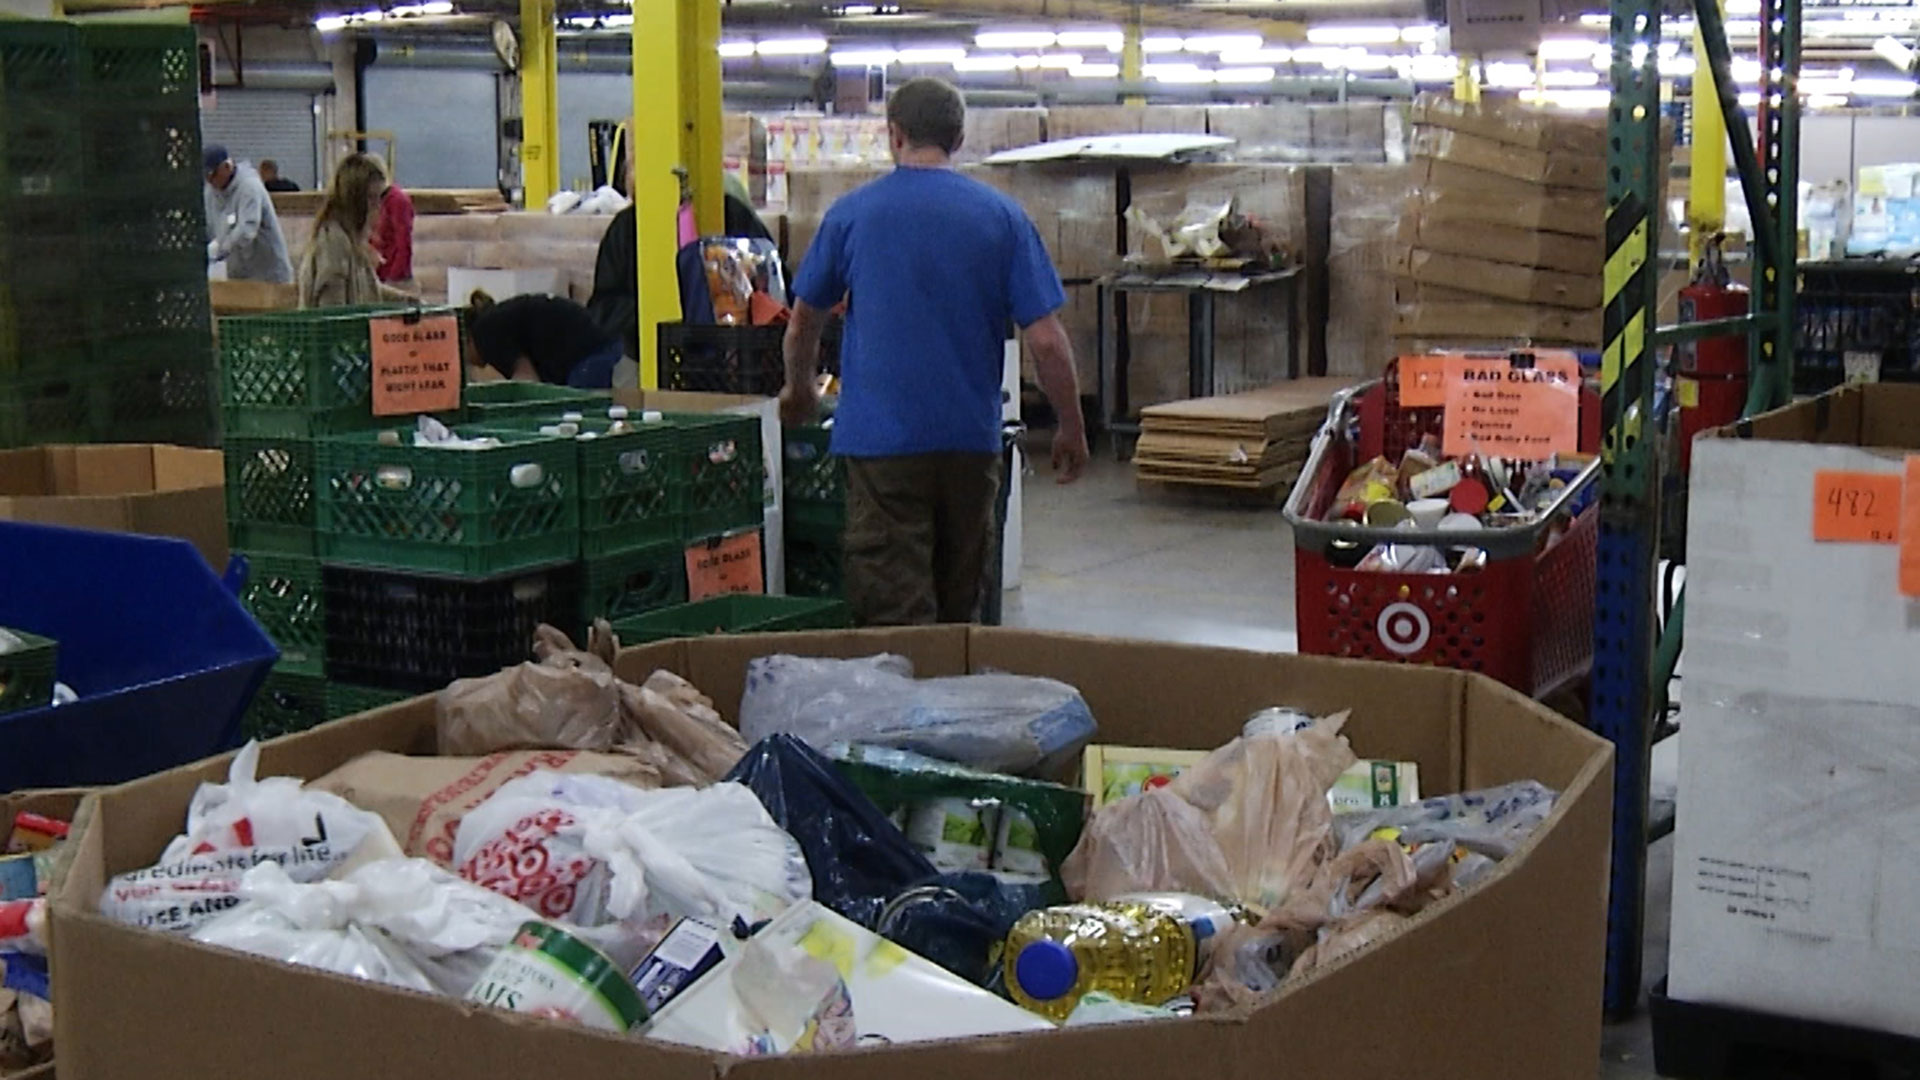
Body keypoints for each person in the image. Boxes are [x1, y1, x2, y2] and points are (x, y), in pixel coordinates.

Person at [779, 77, 1089, 628]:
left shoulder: (853, 215)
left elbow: (804, 319)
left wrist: (799, 388)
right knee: (960, 612)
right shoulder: (1002, 217)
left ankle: (906, 710)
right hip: (970, 444)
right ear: (959, 137)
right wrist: (1070, 425)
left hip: (882, 448)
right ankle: (954, 705)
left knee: (894, 612)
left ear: (893, 134)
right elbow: (1045, 339)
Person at [588, 172, 773, 361]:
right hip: (643, 355)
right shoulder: (626, 229)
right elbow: (604, 309)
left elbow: (771, 286)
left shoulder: (732, 215)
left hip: (734, 355)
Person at [298, 153, 412, 308]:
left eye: (380, 198)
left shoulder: (352, 239)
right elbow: (332, 311)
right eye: (371, 198)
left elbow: (369, 287)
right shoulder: (334, 242)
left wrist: (408, 302)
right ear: (354, 200)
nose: (378, 207)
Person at [465, 290, 623, 389]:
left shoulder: (484, 334)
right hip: (604, 344)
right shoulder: (494, 322)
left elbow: (529, 383)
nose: (467, 362)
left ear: (466, 338)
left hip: (588, 356)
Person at [204, 144, 293, 284]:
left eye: (212, 175)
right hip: (238, 277)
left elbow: (247, 230)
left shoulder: (249, 187)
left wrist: (220, 248)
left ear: (226, 167)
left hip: (269, 277)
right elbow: (208, 226)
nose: (210, 182)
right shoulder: (211, 192)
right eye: (206, 177)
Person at [372, 181, 415, 286]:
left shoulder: (397, 201)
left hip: (392, 279)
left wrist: (393, 280)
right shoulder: (374, 201)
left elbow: (404, 244)